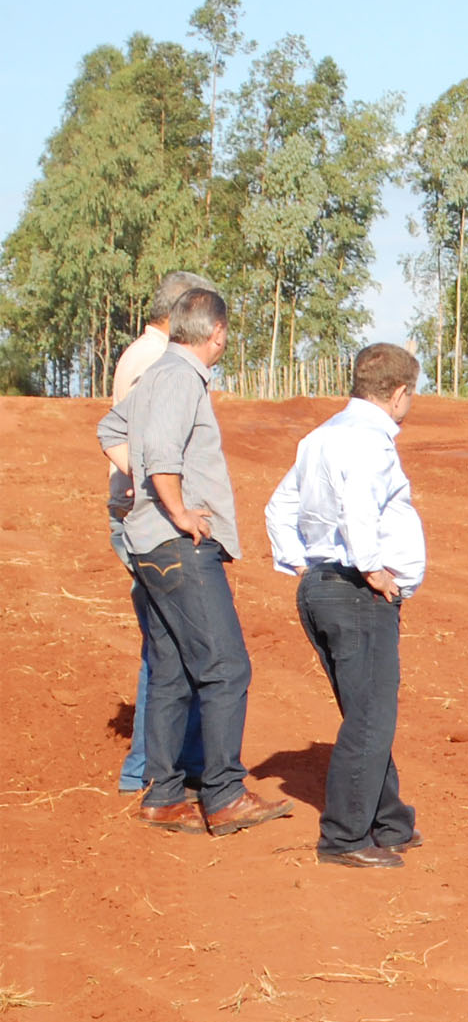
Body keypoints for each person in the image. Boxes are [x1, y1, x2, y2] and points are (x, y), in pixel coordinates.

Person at [97, 288, 293, 837]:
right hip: (179, 546)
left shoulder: (157, 373)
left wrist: (137, 486)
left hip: (148, 544)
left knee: (171, 671)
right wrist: (178, 509)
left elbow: (111, 430)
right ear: (218, 334)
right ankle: (225, 794)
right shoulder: (182, 378)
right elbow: (160, 453)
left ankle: (163, 795)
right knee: (227, 667)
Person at [265, 344, 426, 870]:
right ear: (399, 394)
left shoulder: (320, 437)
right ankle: (344, 837)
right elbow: (360, 506)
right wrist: (372, 567)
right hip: (357, 592)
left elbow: (279, 506)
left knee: (365, 712)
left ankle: (390, 822)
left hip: (324, 586)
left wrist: (300, 564)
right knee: (371, 717)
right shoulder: (368, 442)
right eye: (412, 394)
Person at [107, 272, 212, 794]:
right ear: (181, 313)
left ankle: (153, 767)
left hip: (141, 514)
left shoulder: (137, 355)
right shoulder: (160, 363)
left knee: (166, 644)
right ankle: (159, 768)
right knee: (174, 648)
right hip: (158, 522)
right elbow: (143, 444)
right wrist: (154, 495)